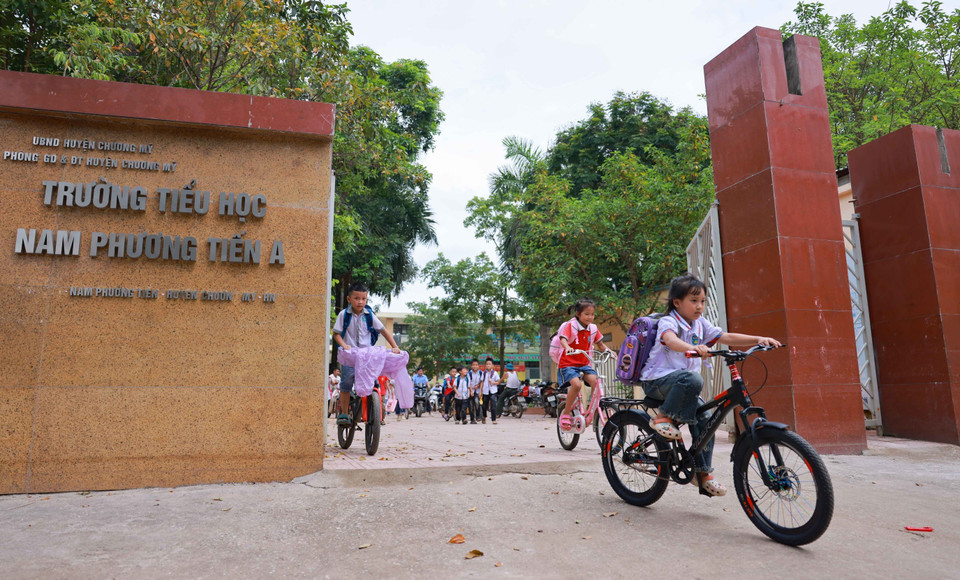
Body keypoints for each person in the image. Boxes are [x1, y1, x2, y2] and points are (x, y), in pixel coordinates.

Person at [640, 274, 781, 497]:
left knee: (706, 419)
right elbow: (669, 339)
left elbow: (725, 336)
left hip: (681, 384)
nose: (700, 306)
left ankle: (702, 474)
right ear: (677, 302)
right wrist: (692, 347)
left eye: (703, 301)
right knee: (693, 379)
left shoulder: (700, 324)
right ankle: (663, 418)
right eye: (694, 301)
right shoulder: (670, 321)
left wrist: (757, 339)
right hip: (657, 381)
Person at [332, 283, 401, 426]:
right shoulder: (344, 314)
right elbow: (336, 334)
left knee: (373, 382)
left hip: (367, 356)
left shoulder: (369, 315)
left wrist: (395, 346)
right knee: (346, 383)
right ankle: (344, 413)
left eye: (364, 298)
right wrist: (344, 345)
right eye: (357, 298)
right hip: (350, 357)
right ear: (349, 299)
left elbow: (384, 331)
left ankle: (374, 411)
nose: (360, 302)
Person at [556, 298, 612, 431]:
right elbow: (563, 339)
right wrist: (567, 347)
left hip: (584, 363)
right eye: (586, 314)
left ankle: (590, 410)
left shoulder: (593, 328)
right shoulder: (571, 325)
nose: (590, 317)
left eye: (592, 314)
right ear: (577, 313)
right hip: (568, 363)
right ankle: (566, 413)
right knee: (576, 385)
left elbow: (601, 344)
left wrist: (610, 352)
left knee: (595, 382)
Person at [478, 357, 501, 424]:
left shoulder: (495, 373)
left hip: (493, 391)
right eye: (487, 364)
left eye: (489, 364)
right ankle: (484, 417)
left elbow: (498, 382)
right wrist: (480, 391)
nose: (488, 365)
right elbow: (482, 382)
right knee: (484, 405)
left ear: (492, 365)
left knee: (493, 405)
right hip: (485, 391)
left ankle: (493, 419)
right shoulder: (483, 373)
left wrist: (493, 382)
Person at [466, 359, 483, 424]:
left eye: (476, 365)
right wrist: (471, 391)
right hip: (471, 390)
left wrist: (480, 389)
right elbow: (469, 382)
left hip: (478, 390)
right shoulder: (469, 373)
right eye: (473, 365)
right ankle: (472, 419)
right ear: (471, 366)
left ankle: (478, 415)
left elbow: (481, 382)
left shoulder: (481, 373)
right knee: (471, 405)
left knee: (477, 402)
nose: (475, 366)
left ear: (478, 366)